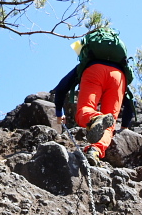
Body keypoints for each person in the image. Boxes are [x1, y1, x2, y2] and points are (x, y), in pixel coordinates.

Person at [53, 32, 134, 166]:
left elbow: (61, 88)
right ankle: (95, 150)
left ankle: (94, 118)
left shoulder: (87, 63)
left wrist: (59, 112)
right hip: (119, 77)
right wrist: (124, 126)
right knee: (109, 125)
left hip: (94, 71)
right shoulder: (120, 66)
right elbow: (131, 102)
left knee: (84, 111)